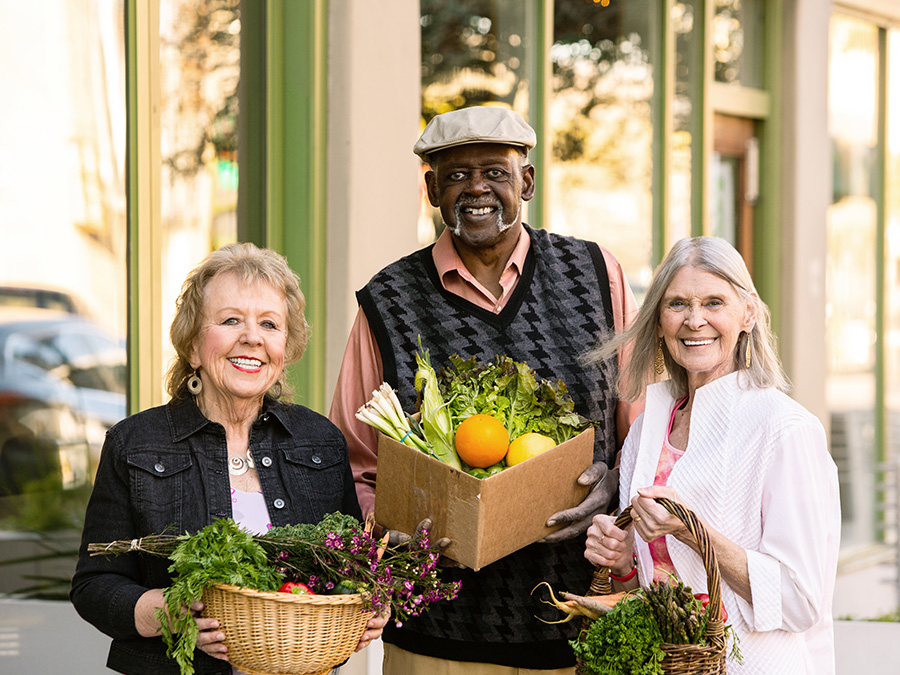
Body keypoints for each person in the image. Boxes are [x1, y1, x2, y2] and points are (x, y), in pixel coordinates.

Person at [329, 106, 640, 674]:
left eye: (495, 172)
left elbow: (645, 428)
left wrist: (618, 486)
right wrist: (395, 528)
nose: (476, 189)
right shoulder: (388, 300)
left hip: (583, 628)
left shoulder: (597, 273)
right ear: (431, 190)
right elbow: (353, 464)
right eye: (455, 175)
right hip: (439, 639)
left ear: (526, 181)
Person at [71, 243, 387, 675]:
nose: (252, 337)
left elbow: (347, 569)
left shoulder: (320, 441)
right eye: (231, 320)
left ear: (284, 349)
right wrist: (168, 612)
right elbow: (94, 585)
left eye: (269, 324)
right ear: (194, 347)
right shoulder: (136, 443)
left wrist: (366, 606)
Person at [584, 236, 840, 674]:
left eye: (714, 302)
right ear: (660, 319)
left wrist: (692, 531)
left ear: (748, 313)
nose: (694, 320)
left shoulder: (786, 430)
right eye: (678, 304)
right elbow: (653, 585)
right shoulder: (649, 429)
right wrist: (623, 559)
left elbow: (800, 600)